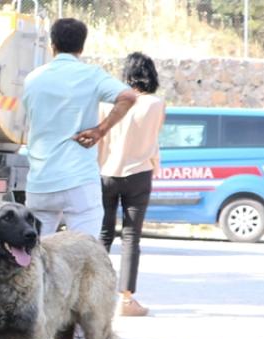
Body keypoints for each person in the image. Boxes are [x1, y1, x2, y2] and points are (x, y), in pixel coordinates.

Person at [20, 18, 138, 239]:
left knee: (36, 253)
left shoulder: (33, 79)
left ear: (52, 45)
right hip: (78, 179)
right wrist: (100, 130)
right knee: (84, 253)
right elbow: (128, 96)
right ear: (82, 47)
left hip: (40, 181)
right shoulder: (91, 75)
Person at [97, 52, 165, 318]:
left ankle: (96, 292)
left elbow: (100, 139)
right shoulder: (156, 104)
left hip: (106, 173)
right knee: (131, 236)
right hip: (139, 173)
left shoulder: (107, 103)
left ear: (127, 74)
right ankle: (126, 299)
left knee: (103, 235)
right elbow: (154, 138)